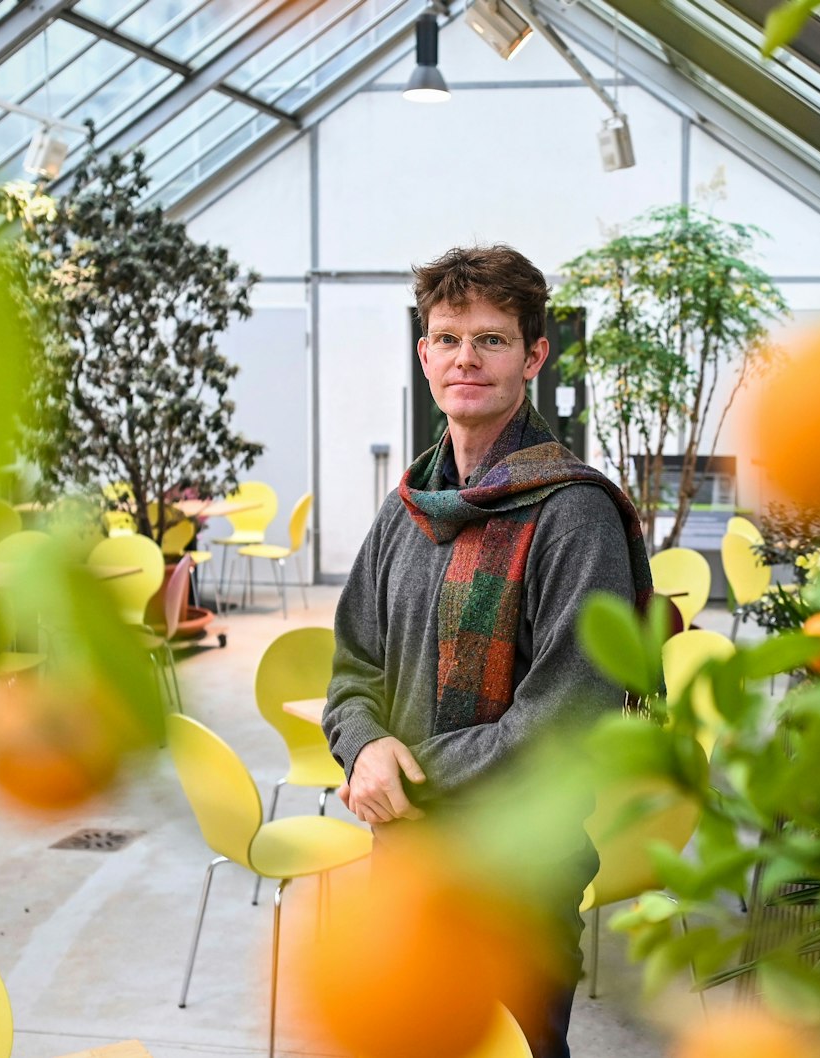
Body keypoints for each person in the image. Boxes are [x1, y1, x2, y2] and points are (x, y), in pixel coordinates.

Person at [323, 244, 652, 1058]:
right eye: (447, 337)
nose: (465, 357)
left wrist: (402, 770)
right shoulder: (410, 507)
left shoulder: (574, 516)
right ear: (424, 353)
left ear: (534, 356)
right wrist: (363, 748)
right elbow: (353, 666)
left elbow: (561, 722)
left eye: (492, 339)